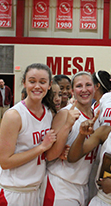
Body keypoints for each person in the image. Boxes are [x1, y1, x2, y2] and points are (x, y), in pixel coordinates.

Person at [0, 63, 57, 206]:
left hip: (35, 191)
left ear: (49, 85)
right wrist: (41, 148)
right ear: (24, 83)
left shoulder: (49, 113)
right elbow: (5, 162)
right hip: (12, 193)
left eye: (42, 82)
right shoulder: (14, 115)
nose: (37, 86)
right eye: (32, 81)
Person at [42, 71, 98, 206]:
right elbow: (49, 155)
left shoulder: (97, 116)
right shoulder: (64, 114)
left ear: (95, 88)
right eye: (79, 86)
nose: (84, 90)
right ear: (73, 91)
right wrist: (67, 126)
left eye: (88, 85)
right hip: (61, 185)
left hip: (83, 185)